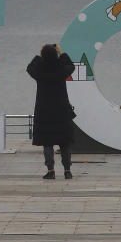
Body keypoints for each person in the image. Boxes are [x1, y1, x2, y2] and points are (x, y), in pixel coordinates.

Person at [27, 43, 76, 179]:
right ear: (56, 55)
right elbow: (71, 66)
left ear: (43, 56)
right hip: (62, 110)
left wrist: (40, 55)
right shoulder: (61, 69)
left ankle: (50, 171)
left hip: (44, 111)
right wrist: (62, 53)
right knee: (64, 142)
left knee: (47, 142)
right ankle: (67, 170)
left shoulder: (40, 71)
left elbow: (30, 68)